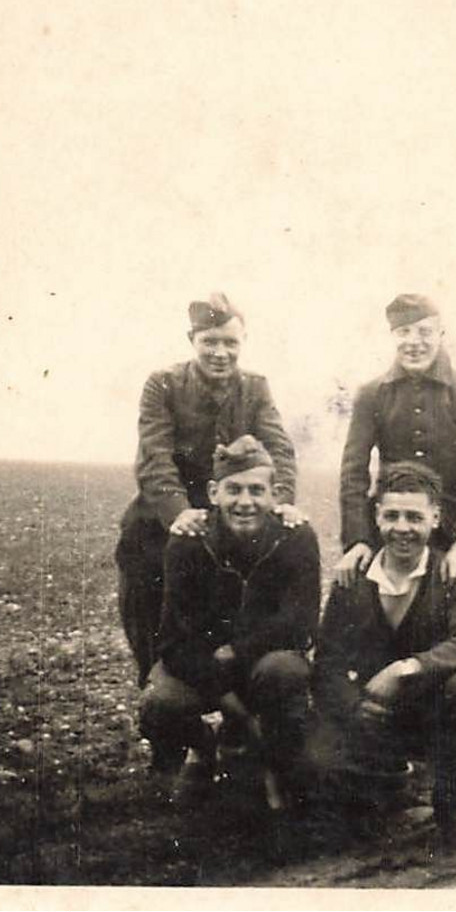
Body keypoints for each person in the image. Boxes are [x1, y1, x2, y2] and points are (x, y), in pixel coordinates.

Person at [313, 462, 456, 850]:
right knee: (326, 788)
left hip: (432, 712)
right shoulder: (353, 577)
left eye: (414, 517)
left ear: (435, 518)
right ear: (377, 516)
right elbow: (326, 660)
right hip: (372, 714)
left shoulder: (454, 574)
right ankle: (384, 789)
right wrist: (354, 705)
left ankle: (454, 810)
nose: (402, 528)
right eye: (391, 515)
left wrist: (407, 669)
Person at [115, 293, 301, 686]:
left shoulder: (255, 387)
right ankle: (157, 680)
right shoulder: (163, 384)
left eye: (230, 343)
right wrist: (178, 512)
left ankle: (244, 692)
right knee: (142, 562)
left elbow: (279, 447)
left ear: (243, 342)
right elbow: (155, 454)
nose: (220, 352)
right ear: (192, 340)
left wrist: (280, 500)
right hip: (168, 512)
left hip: (232, 510)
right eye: (210, 342)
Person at [140, 435, 321, 810]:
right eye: (233, 489)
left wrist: (236, 650)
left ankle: (274, 764)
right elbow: (174, 640)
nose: (245, 502)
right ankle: (205, 750)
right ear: (213, 492)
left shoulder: (296, 537)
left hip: (261, 663)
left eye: (257, 490)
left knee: (286, 672)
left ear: (275, 495)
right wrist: (228, 699)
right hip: (206, 667)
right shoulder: (189, 540)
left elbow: (300, 624)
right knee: (161, 701)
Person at [336, 292, 456, 594]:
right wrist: (358, 539)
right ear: (392, 336)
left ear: (441, 334)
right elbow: (353, 471)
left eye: (425, 332)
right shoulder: (372, 394)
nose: (414, 342)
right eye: (404, 332)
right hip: (396, 530)